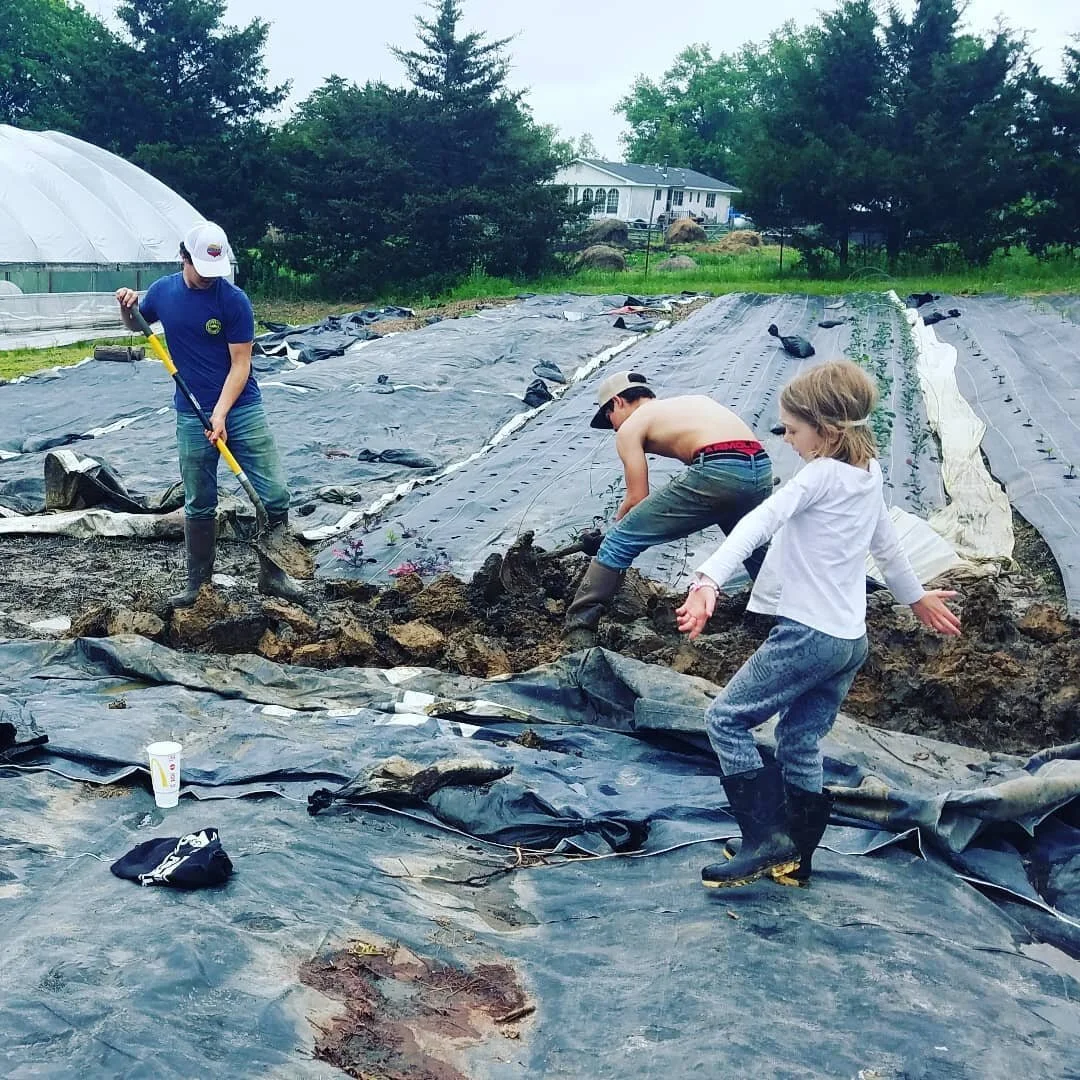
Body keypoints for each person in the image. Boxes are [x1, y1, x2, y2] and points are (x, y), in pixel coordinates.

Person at [676, 359, 961, 889]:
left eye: (792, 429)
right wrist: (915, 597)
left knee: (725, 720)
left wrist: (709, 579)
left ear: (826, 431)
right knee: (799, 740)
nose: (786, 438)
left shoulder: (820, 474)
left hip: (808, 635)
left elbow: (760, 521)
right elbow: (887, 545)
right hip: (849, 641)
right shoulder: (868, 473)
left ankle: (764, 840)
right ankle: (796, 857)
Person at [115, 221, 303, 607]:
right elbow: (137, 325)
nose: (208, 277)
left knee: (274, 495)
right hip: (191, 413)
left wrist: (219, 414)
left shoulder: (233, 300)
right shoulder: (163, 292)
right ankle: (197, 586)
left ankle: (273, 576)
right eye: (201, 268)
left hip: (241, 408)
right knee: (199, 501)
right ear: (183, 257)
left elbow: (241, 364)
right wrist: (127, 307)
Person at [564, 370, 773, 648]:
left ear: (617, 402)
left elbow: (637, 497)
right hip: (760, 469)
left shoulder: (629, 427)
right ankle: (786, 614)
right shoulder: (691, 402)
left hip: (718, 469)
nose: (612, 426)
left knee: (618, 542)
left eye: (608, 416)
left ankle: (577, 632)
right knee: (752, 545)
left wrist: (613, 532)